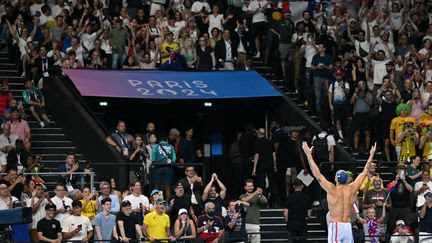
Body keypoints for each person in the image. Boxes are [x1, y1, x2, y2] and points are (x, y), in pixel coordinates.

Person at [301, 142, 376, 242]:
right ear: (346, 180)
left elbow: (317, 174)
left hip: (336, 226)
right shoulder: (352, 189)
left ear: (336, 180)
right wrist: (371, 154)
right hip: (347, 226)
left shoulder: (332, 189)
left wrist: (309, 155)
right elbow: (365, 171)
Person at [387, 163, 414, 235]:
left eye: (403, 169)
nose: (401, 170)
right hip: (395, 207)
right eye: (400, 169)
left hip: (405, 207)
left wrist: (404, 181)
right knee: (392, 226)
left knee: (407, 226)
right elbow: (389, 190)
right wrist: (396, 181)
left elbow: (411, 190)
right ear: (397, 170)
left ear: (405, 171)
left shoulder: (408, 179)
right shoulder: (392, 178)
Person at [251, 128, 277, 204]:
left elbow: (256, 155)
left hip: (261, 165)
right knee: (272, 183)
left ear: (258, 133)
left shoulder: (257, 143)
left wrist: (254, 168)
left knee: (262, 183)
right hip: (270, 164)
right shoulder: (270, 142)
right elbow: (273, 154)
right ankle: (274, 202)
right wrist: (275, 165)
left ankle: (263, 201)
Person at [239, 179, 267, 243]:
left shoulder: (257, 196)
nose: (250, 187)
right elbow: (244, 200)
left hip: (255, 223)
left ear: (253, 187)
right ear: (245, 187)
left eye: (251, 186)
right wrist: (256, 192)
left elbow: (265, 201)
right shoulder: (242, 196)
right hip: (244, 224)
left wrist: (261, 194)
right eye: (248, 186)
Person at [151, 131, 177, 200]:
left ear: (159, 139)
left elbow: (153, 159)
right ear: (167, 139)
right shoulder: (171, 146)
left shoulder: (156, 146)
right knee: (167, 186)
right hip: (169, 169)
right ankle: (168, 204)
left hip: (158, 168)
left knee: (157, 186)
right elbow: (174, 160)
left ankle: (158, 203)